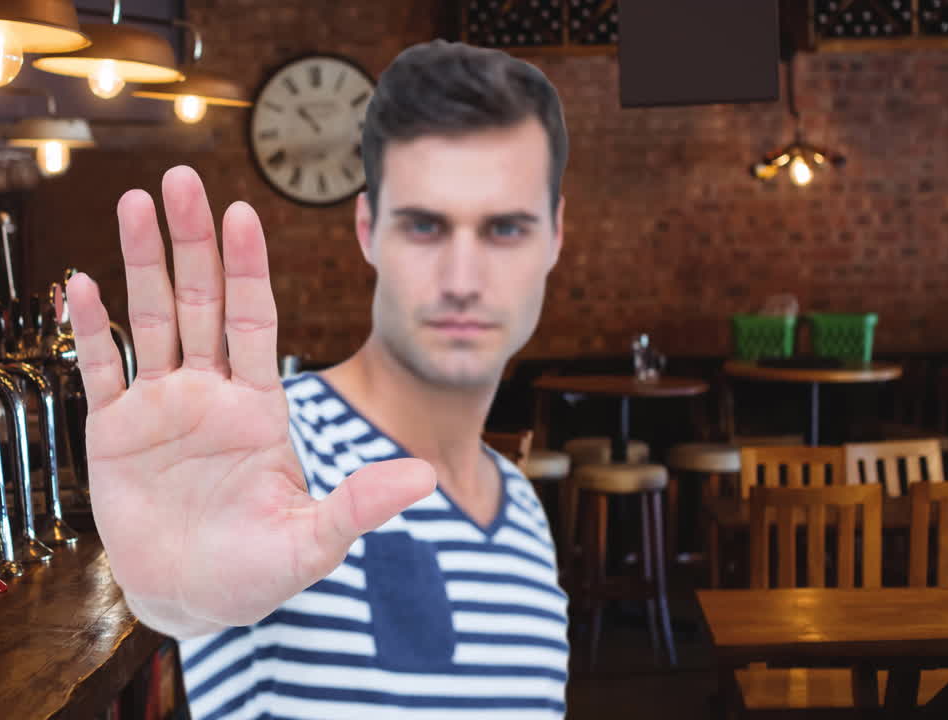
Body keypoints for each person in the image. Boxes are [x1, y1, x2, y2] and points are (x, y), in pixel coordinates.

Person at [66, 39, 570, 719]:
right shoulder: (277, 450)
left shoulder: (524, 513)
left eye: (506, 229)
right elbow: (191, 598)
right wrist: (173, 603)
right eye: (424, 226)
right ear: (368, 229)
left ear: (554, 235)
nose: (462, 279)